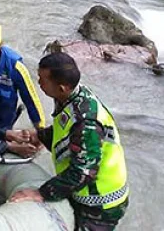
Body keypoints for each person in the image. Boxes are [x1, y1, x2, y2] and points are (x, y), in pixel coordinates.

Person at [10, 53, 128, 231]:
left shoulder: (86, 122)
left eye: (43, 80)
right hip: (84, 192)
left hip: (100, 204)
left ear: (62, 87)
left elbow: (83, 171)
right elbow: (66, 132)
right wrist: (40, 136)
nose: (39, 83)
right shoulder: (73, 97)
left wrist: (41, 193)